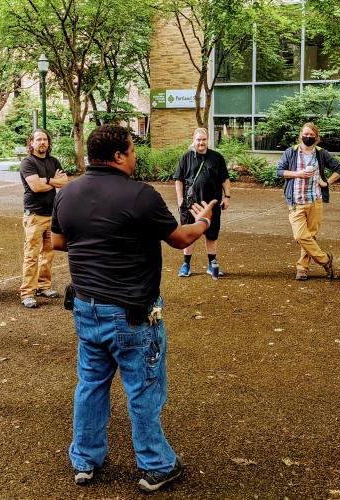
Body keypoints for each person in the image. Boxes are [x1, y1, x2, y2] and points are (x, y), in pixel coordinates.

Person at [50, 124, 217, 492]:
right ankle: (156, 464)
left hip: (86, 308)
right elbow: (180, 239)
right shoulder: (141, 195)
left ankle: (85, 459)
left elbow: (59, 241)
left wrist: (94, 241)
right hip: (131, 313)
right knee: (143, 388)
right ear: (119, 155)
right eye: (132, 149)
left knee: (90, 384)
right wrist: (204, 219)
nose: (135, 155)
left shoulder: (68, 193)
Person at [275, 122, 340, 280]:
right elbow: (279, 171)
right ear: (300, 135)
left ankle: (302, 268)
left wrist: (327, 183)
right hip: (296, 202)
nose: (308, 137)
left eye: (311, 135)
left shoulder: (321, 153)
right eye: (305, 134)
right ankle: (325, 260)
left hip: (315, 201)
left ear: (316, 138)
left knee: (310, 236)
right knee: (300, 236)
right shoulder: (290, 152)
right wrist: (298, 174)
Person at [19, 128, 69, 309]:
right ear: (31, 143)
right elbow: (36, 187)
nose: (42, 143)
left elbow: (64, 182)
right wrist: (51, 181)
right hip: (34, 215)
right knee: (31, 255)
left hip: (52, 215)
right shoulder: (27, 163)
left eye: (45, 140)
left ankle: (43, 286)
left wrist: (45, 180)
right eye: (38, 139)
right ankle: (27, 293)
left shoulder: (53, 161)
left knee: (48, 254)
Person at [173, 127, 231, 279]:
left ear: (208, 140)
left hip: (211, 205)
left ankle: (212, 264)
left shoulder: (217, 157)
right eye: (198, 139)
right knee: (188, 233)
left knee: (211, 235)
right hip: (190, 204)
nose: (201, 142)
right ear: (194, 140)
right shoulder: (186, 157)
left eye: (204, 139)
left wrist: (227, 197)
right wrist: (180, 199)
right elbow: (178, 179)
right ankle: (186, 264)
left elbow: (225, 179)